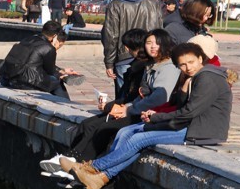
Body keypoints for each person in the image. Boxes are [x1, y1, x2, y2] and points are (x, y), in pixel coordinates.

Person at [58, 43, 232, 189]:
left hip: (201, 130)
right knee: (128, 131)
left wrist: (157, 117)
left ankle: (93, 167)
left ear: (201, 58)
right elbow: (180, 105)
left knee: (140, 138)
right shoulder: (197, 76)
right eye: (183, 65)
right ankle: (102, 179)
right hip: (189, 124)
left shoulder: (208, 78)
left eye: (191, 62)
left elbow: (188, 112)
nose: (188, 68)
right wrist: (183, 88)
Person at [58, 29, 179, 166]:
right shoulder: (151, 64)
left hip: (152, 115)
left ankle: (81, 165)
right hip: (139, 110)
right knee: (91, 123)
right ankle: (72, 159)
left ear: (165, 44)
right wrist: (126, 108)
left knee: (106, 128)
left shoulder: (169, 67)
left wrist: (128, 110)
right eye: (148, 43)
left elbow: (159, 98)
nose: (152, 47)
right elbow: (142, 96)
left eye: (157, 43)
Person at [101, 0, 163, 93]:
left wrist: (109, 62)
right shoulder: (153, 0)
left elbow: (111, 36)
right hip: (149, 54)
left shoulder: (115, 5)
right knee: (145, 93)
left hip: (124, 56)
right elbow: (160, 29)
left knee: (124, 95)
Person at [0, 21, 81, 98]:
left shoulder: (27, 39)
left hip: (7, 80)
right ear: (55, 36)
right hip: (26, 83)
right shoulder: (48, 48)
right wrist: (62, 75)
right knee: (57, 81)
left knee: (54, 77)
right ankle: (65, 105)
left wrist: (63, 70)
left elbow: (35, 62)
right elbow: (50, 71)